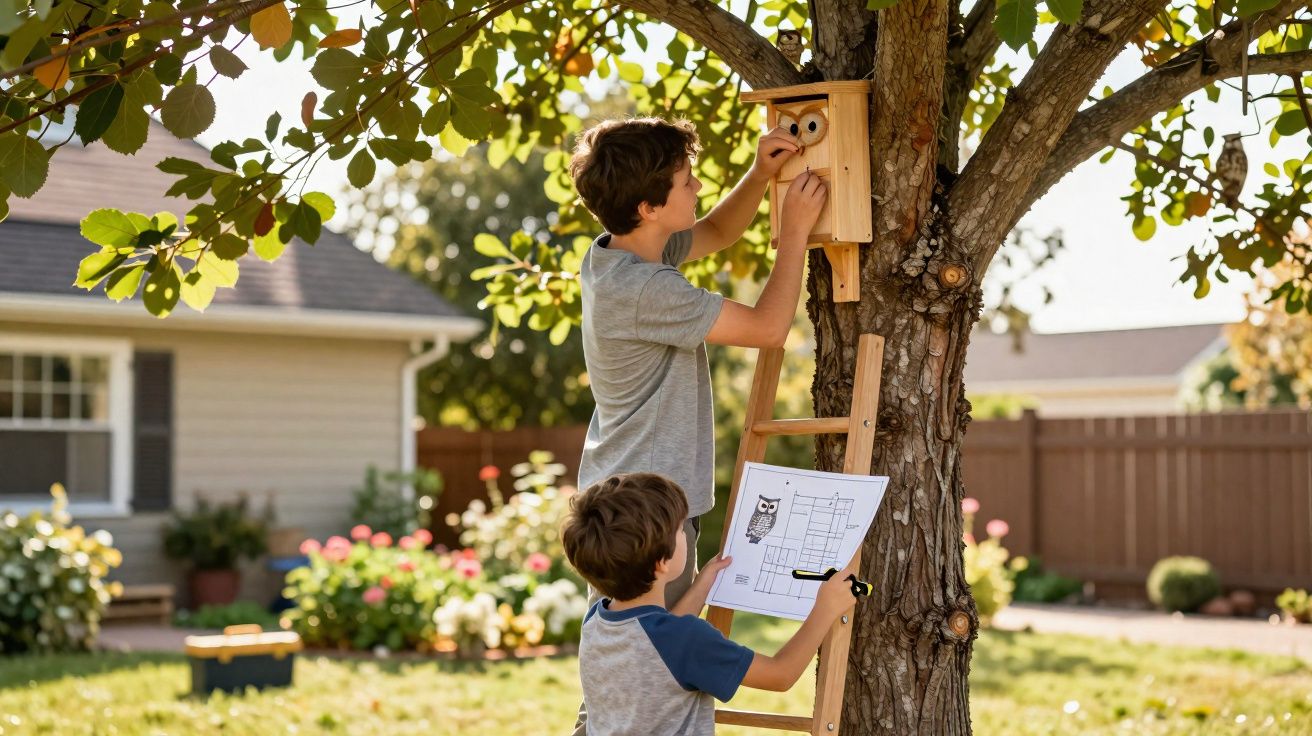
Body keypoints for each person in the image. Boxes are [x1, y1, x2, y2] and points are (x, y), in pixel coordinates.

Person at [569, 116, 827, 606]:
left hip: (633, 492)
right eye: (687, 181)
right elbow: (769, 329)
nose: (699, 185)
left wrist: (758, 175)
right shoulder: (646, 288)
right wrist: (794, 234)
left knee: (650, 640)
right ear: (648, 208)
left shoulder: (618, 255)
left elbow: (717, 231)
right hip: (645, 507)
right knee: (654, 650)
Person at [562, 472, 860, 736]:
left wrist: (702, 584)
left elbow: (661, 649)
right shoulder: (687, 639)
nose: (685, 535)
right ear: (661, 563)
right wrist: (825, 608)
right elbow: (780, 675)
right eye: (681, 530)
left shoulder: (597, 622)